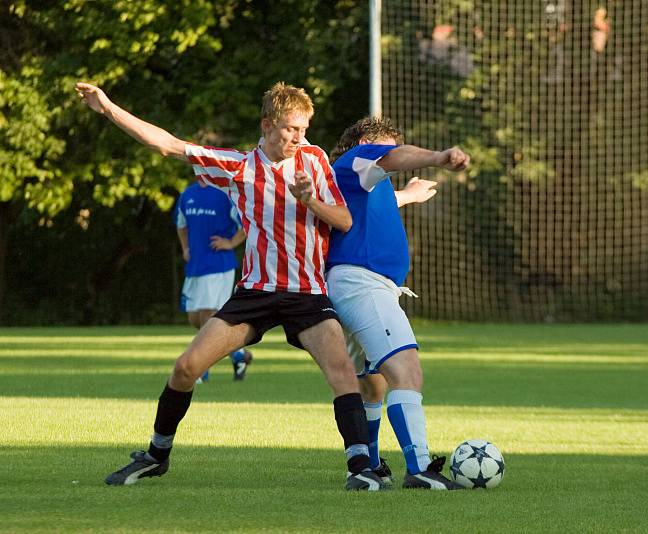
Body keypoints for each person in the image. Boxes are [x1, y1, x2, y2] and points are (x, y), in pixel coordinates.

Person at [75, 81, 384, 491]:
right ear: (267, 124)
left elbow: (343, 221)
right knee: (186, 367)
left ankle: (360, 468)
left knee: (342, 371)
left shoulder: (315, 159)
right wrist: (109, 108)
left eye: (304, 129)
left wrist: (310, 200)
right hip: (255, 293)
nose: (299, 137)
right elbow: (168, 145)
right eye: (291, 129)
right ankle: (155, 456)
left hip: (307, 293)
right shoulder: (238, 167)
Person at [325, 116, 470, 490]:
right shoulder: (356, 160)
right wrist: (439, 157)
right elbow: (389, 159)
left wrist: (410, 195)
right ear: (365, 144)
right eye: (386, 148)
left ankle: (370, 466)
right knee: (406, 370)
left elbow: (378, 195)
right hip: (364, 285)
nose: (391, 155)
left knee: (372, 383)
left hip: (354, 284)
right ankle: (420, 467)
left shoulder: (358, 182)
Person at [174, 180, 252, 382]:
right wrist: (185, 248)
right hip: (195, 266)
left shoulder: (224, 194)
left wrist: (231, 243)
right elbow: (181, 225)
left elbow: (246, 224)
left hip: (219, 264)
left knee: (208, 313)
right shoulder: (187, 195)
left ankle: (201, 368)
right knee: (195, 318)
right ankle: (238, 354)